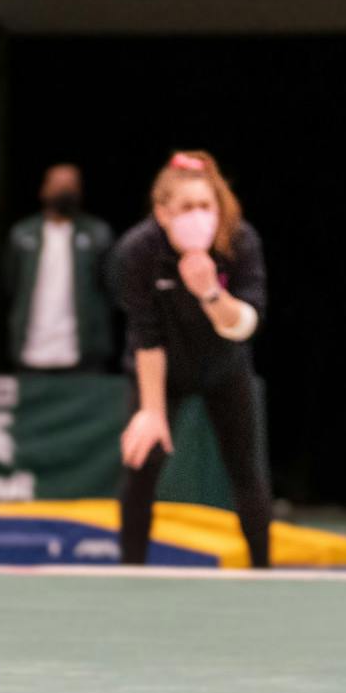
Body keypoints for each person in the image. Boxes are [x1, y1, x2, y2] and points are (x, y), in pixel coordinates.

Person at [111, 151, 273, 567]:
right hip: (161, 371)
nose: (199, 216)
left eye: (207, 206)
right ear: (163, 213)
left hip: (225, 366)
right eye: (186, 208)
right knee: (141, 463)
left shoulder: (240, 241)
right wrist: (151, 410)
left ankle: (264, 570)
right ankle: (131, 569)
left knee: (247, 472)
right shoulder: (138, 250)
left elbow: (247, 323)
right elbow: (145, 335)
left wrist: (210, 293)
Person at [4, 163, 118, 374]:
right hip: (32, 349)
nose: (64, 190)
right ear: (43, 189)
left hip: (83, 352)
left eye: (70, 185)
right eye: (58, 184)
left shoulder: (97, 233)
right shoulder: (23, 233)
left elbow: (111, 286)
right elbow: (11, 284)